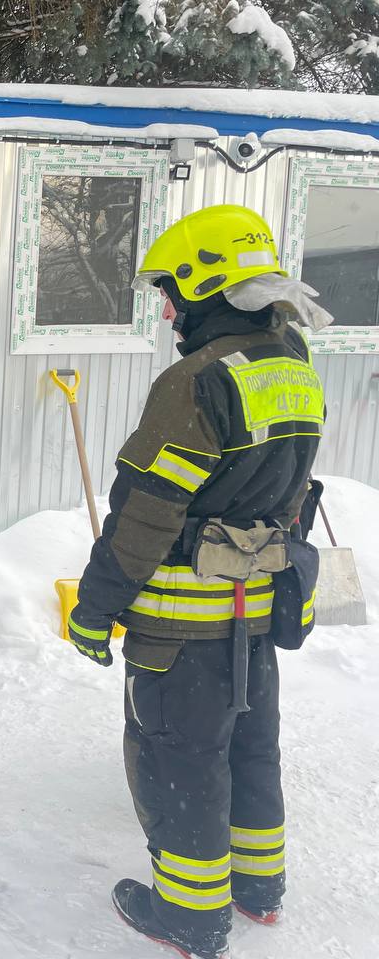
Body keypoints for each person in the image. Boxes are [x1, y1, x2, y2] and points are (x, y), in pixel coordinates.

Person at [66, 205, 329, 959]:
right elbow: (289, 490)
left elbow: (145, 515)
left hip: (182, 626)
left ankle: (190, 916)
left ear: (210, 286)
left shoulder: (195, 381)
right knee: (251, 746)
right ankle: (259, 888)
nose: (169, 311)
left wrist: (94, 610)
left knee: (184, 760)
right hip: (253, 611)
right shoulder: (293, 363)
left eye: (173, 293)